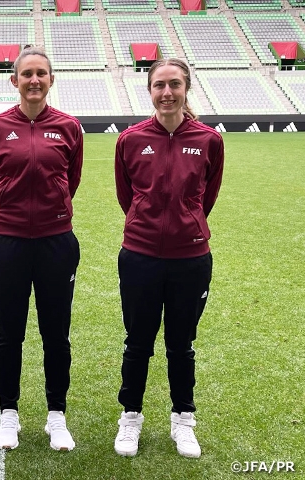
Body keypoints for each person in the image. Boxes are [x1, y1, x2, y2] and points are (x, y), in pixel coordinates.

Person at [113, 58, 224, 458]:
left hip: (191, 258)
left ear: (186, 88)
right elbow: (127, 196)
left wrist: (186, 224)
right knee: (137, 343)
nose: (167, 92)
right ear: (150, 90)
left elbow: (207, 196)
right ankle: (131, 417)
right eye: (159, 85)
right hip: (140, 256)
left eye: (174, 84)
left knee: (182, 344)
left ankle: (183, 419)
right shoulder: (129, 139)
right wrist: (148, 226)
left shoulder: (209, 139)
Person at [0, 46, 83, 451]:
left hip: (56, 241)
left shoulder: (69, 127)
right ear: (15, 81)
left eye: (42, 73)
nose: (34, 80)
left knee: (55, 333)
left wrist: (49, 213)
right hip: (8, 242)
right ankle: (9, 414)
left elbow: (70, 180)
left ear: (51, 79)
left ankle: (56, 415)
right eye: (27, 74)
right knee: (10, 333)